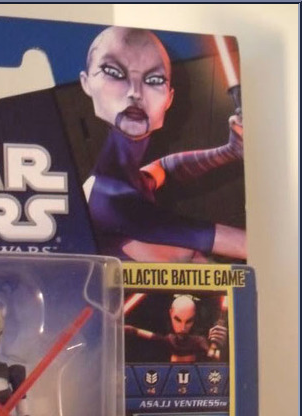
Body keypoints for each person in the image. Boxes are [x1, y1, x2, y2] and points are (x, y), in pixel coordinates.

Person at [80, 26, 246, 262]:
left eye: (154, 80)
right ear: (86, 83)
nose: (135, 92)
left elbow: (164, 169)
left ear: (169, 98)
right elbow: (245, 245)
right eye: (115, 72)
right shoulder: (110, 200)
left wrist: (229, 151)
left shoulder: (122, 179)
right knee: (191, 256)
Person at [125, 295, 227, 362]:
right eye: (178, 320)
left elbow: (214, 355)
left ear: (194, 318)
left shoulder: (199, 341)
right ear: (170, 314)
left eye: (188, 321)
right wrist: (129, 329)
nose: (182, 328)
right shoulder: (170, 339)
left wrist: (220, 347)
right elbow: (146, 334)